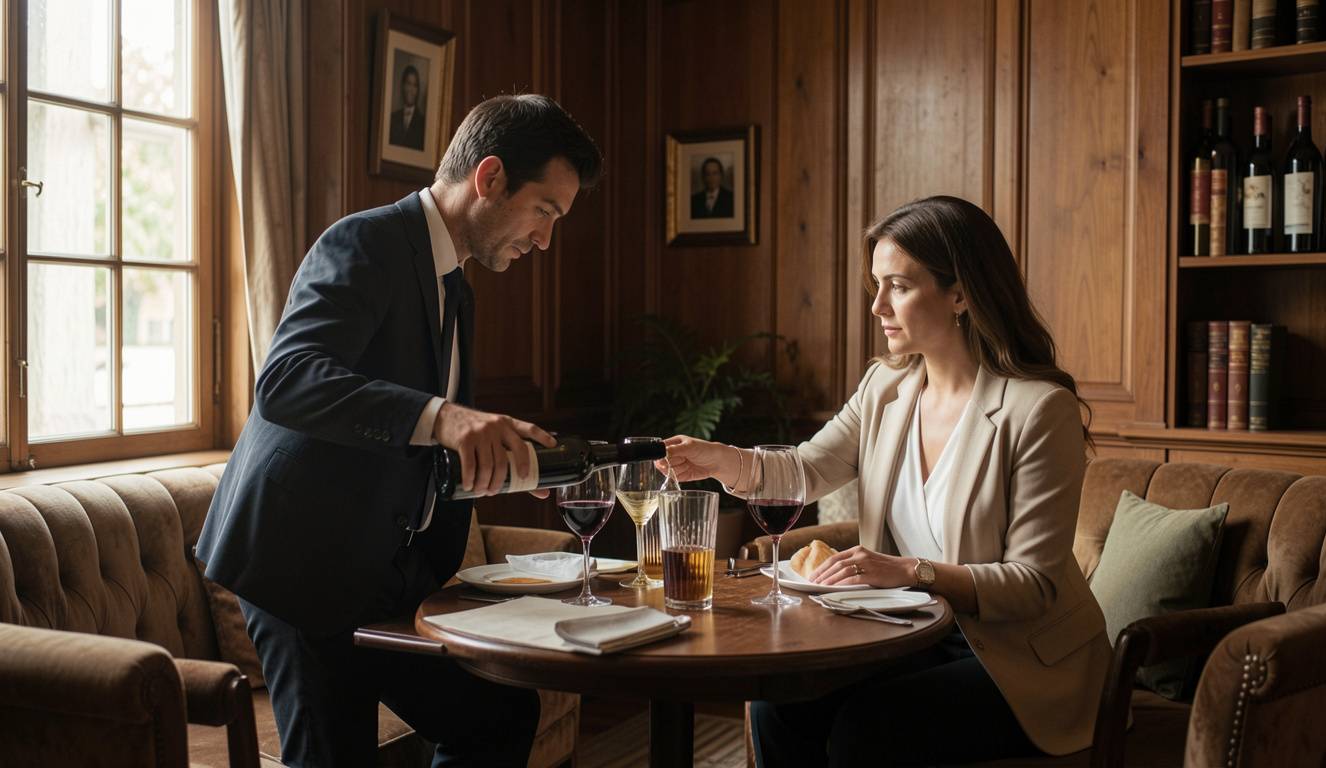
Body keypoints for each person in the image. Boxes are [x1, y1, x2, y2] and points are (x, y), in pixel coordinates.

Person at [196, 94, 602, 767]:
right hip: (298, 566)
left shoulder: (456, 286)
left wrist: (501, 457)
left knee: (498, 713)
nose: (544, 240)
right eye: (544, 212)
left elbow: (413, 441)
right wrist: (447, 416)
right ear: (491, 178)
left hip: (381, 571)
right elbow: (287, 380)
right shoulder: (367, 242)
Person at [662, 196, 1111, 766]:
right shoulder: (886, 387)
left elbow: (1032, 584)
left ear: (960, 293)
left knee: (868, 729)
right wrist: (717, 458)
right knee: (776, 708)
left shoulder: (1039, 409)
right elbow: (804, 468)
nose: (876, 306)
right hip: (913, 635)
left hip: (1020, 662)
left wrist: (910, 572)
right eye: (876, 285)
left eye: (897, 286)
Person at [389, 63, 427, 148]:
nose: (411, 90)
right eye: (408, 84)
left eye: (415, 85)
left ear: (418, 90)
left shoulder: (423, 123)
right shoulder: (393, 118)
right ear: (403, 86)